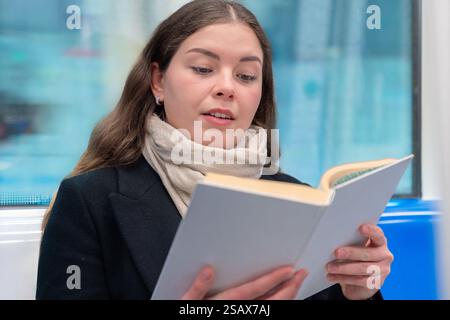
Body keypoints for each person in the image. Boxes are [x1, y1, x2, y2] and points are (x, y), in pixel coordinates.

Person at [36, 0, 392, 300]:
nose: (227, 87)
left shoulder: (301, 203)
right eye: (204, 68)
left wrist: (360, 291)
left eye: (246, 76)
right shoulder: (89, 202)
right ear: (158, 81)